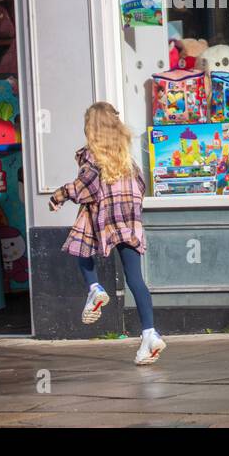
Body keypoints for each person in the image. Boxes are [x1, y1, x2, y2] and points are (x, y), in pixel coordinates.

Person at [50, 102, 165, 365]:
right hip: (129, 221)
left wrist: (59, 195)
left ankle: (94, 287)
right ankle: (149, 333)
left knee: (80, 243)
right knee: (135, 279)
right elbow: (140, 187)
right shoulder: (127, 159)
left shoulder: (92, 157)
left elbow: (83, 188)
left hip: (103, 220)